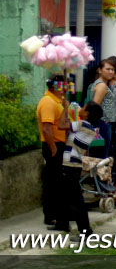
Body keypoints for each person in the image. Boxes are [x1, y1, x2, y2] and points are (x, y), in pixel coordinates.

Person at [54, 98, 103, 239]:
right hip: (74, 164)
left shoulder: (82, 124)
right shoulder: (90, 128)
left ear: (87, 113)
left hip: (71, 164)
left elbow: (61, 125)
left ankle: (86, 231)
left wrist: (65, 108)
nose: (80, 109)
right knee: (65, 195)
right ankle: (63, 223)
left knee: (76, 200)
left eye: (84, 107)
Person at [36, 76, 68, 229]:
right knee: (52, 181)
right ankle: (50, 215)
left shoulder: (57, 101)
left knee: (57, 180)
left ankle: (58, 213)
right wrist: (54, 149)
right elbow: (47, 128)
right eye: (62, 86)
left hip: (59, 144)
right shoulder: (48, 102)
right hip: (52, 145)